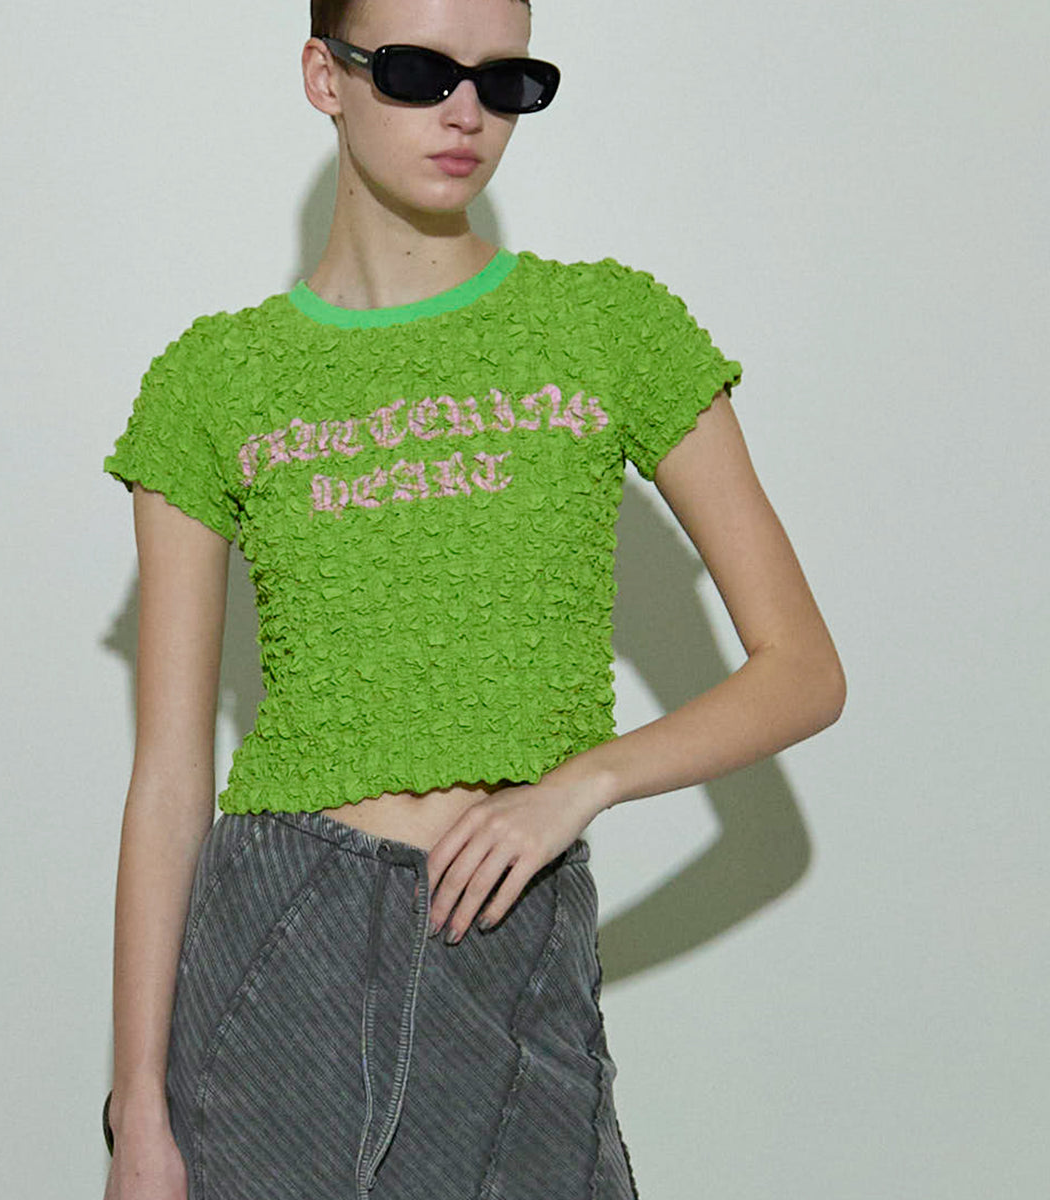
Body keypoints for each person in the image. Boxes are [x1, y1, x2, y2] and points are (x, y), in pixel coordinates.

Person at [99, 0, 846, 1196]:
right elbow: (171, 772)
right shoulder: (212, 381)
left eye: (507, 82)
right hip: (280, 951)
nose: (466, 112)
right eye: (416, 72)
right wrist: (138, 1109)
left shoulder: (609, 328)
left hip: (514, 936)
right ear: (324, 77)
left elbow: (803, 670)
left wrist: (578, 786)